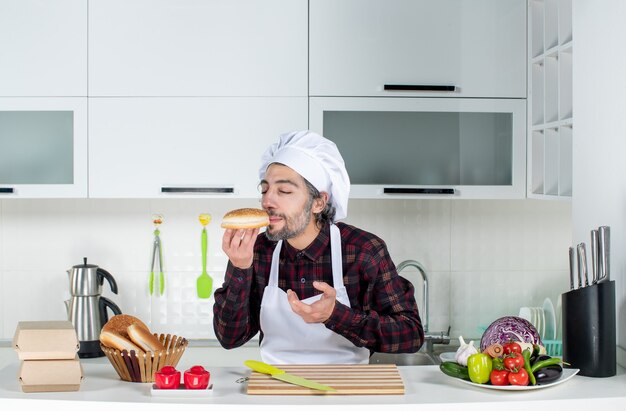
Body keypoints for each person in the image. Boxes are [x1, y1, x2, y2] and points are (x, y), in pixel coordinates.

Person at [213, 130, 424, 364]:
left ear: (318, 202)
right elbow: (229, 338)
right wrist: (239, 268)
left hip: (348, 390)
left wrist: (337, 315)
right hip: (276, 389)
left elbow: (411, 335)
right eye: (264, 189)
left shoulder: (364, 250)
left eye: (283, 191)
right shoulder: (258, 250)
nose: (266, 202)